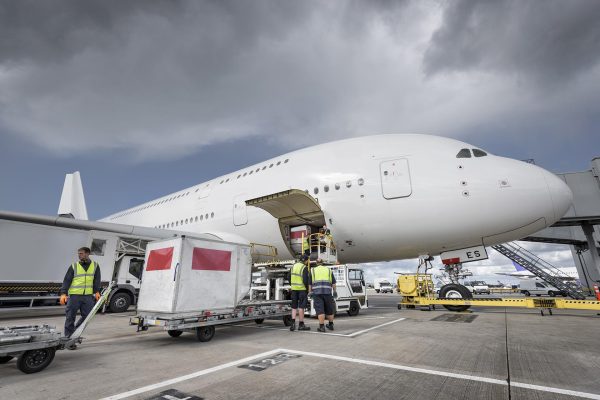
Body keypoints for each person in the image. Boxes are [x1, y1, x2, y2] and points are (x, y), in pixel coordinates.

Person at [59, 247, 101, 347]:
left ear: (87, 254)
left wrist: (97, 292)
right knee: (70, 317)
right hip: (74, 296)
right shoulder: (74, 266)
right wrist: (63, 293)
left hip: (88, 296)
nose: (79, 255)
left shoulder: (95, 266)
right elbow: (67, 280)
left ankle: (75, 333)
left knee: (87, 317)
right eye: (79, 253)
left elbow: (97, 280)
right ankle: (69, 340)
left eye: (81, 253)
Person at [309, 259, 337, 332]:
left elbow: (310, 284)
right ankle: (331, 325)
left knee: (320, 310)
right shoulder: (328, 270)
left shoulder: (312, 270)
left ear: (316, 263)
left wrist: (310, 292)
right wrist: (334, 291)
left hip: (317, 293)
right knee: (329, 309)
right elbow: (333, 283)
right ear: (323, 263)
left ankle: (322, 327)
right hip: (327, 292)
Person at [289, 255, 311, 331]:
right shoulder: (304, 268)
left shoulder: (293, 266)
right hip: (302, 290)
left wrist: (292, 285)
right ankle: (301, 324)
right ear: (305, 260)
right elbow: (305, 280)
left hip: (294, 289)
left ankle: (292, 324)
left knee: (294, 307)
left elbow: (289, 277)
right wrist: (308, 290)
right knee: (301, 307)